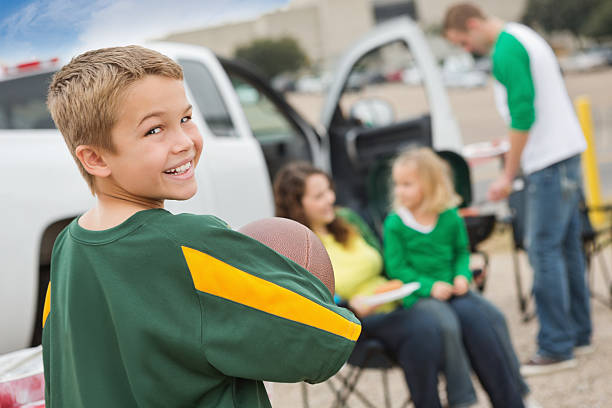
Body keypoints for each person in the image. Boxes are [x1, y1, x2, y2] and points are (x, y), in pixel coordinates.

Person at [41, 46, 360, 408]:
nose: (184, 142)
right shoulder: (189, 246)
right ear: (95, 158)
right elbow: (324, 340)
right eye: (154, 130)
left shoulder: (68, 247)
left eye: (187, 118)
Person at [443, 3, 592, 376]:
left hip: (546, 164)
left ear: (473, 25)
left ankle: (556, 345)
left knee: (543, 250)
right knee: (567, 246)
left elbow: (523, 113)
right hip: (566, 152)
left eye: (463, 42)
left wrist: (507, 174)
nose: (466, 49)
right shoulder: (525, 35)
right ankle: (577, 331)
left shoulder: (506, 49)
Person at [275, 161, 461, 408]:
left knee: (458, 313)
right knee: (423, 326)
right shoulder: (295, 246)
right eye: (319, 196)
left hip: (395, 303)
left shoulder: (347, 220)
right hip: (351, 324)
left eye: (329, 190)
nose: (331, 198)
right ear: (296, 205)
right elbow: (306, 303)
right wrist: (349, 305)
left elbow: (387, 262)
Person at [384, 147, 533, 408]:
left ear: (429, 185)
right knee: (447, 325)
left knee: (493, 318)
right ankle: (462, 399)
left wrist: (462, 276)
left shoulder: (450, 216)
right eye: (397, 184)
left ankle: (517, 393)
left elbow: (461, 253)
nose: (399, 191)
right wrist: (430, 287)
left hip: (454, 289)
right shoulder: (395, 223)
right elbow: (397, 268)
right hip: (419, 294)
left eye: (407, 184)